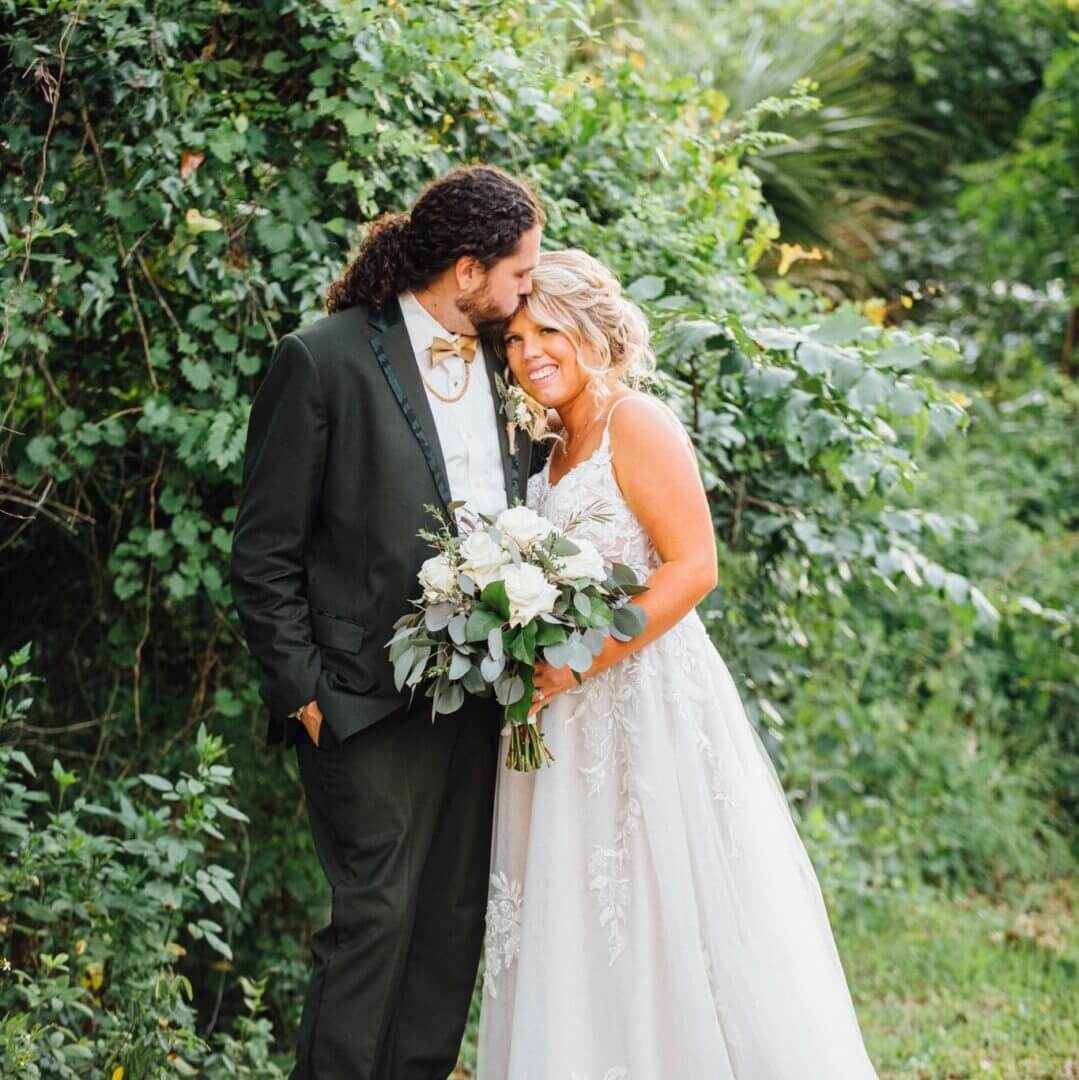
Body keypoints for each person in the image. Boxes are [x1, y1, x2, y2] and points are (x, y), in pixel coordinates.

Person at [477, 249, 878, 1079]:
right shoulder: (546, 444)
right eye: (514, 339)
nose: (529, 353)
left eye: (547, 330)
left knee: (654, 904)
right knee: (570, 914)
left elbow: (692, 566)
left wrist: (579, 662)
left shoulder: (637, 421)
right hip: (557, 716)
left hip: (638, 702)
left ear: (595, 330)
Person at [230, 165, 543, 1080]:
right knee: (374, 922)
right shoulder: (321, 358)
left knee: (450, 929)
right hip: (360, 702)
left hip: (485, 702)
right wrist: (306, 695)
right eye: (518, 273)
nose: (530, 289)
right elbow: (264, 552)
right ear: (465, 268)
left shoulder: (507, 358)